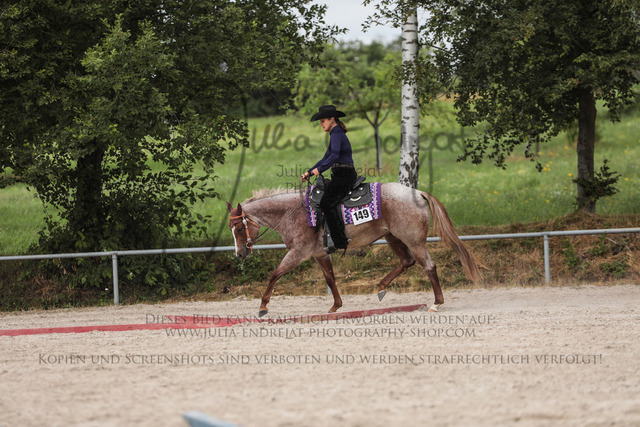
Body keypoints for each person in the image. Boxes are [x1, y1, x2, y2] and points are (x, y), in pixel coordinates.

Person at [301, 105, 357, 253]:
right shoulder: (335, 133)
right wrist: (309, 172)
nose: (321, 124)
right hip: (340, 174)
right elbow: (326, 158)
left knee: (326, 203)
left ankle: (340, 242)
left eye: (323, 121)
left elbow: (334, 156)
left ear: (332, 119)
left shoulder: (337, 133)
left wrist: (320, 170)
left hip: (344, 175)